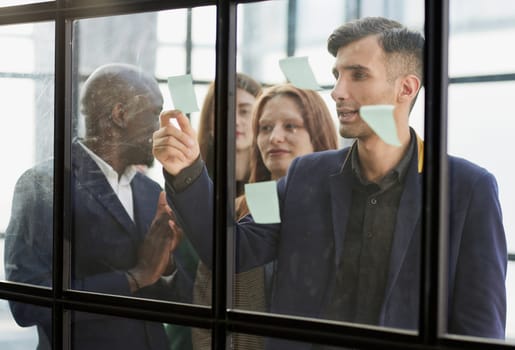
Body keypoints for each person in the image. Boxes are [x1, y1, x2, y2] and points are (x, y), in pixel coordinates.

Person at [152, 16, 507, 349]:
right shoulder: (306, 175)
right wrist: (187, 171)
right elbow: (232, 250)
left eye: (358, 75)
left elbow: (479, 328)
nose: (337, 90)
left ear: (406, 88)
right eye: (337, 74)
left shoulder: (468, 190)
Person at [4, 63, 185, 350]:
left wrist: (167, 264)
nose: (159, 129)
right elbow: (28, 305)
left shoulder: (152, 193)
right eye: (154, 114)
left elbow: (177, 302)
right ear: (120, 115)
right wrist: (133, 278)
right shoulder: (44, 185)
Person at [188, 73, 263, 350]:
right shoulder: (190, 187)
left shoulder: (268, 188)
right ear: (209, 122)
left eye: (245, 111)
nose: (235, 120)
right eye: (225, 111)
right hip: (196, 323)